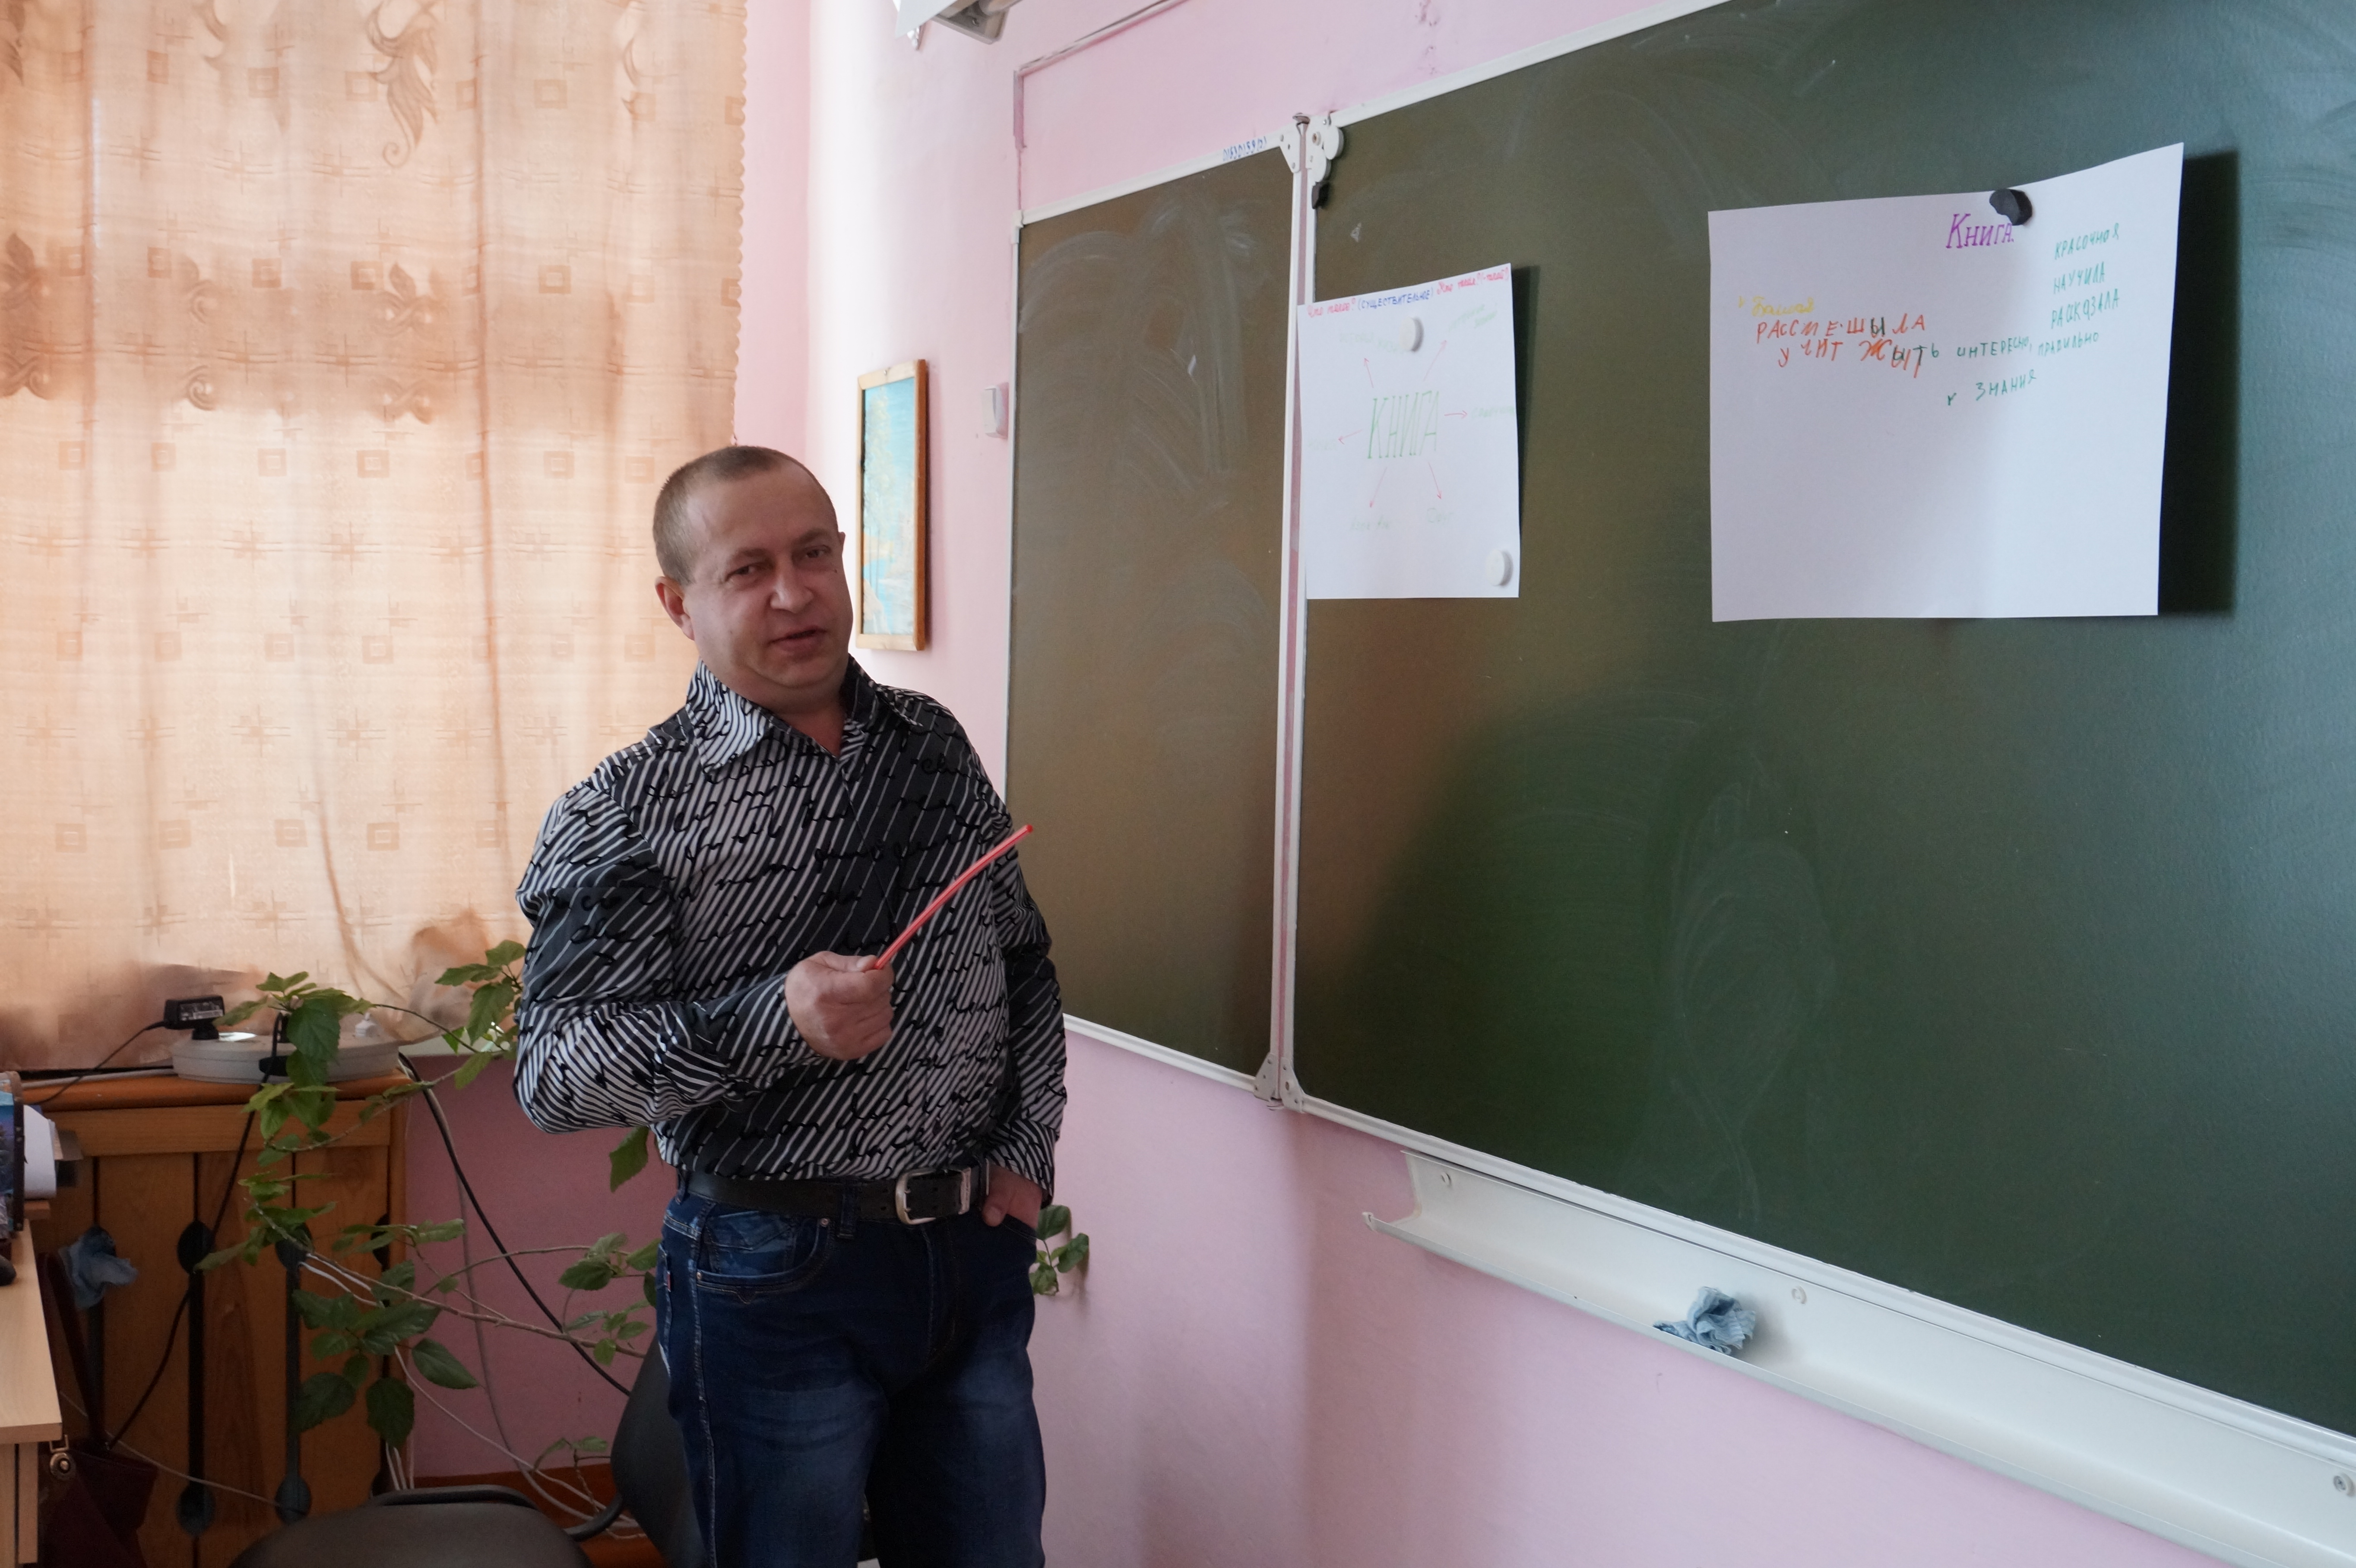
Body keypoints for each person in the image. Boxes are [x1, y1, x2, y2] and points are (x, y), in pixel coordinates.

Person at [510, 445, 1064, 1567]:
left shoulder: (932, 747)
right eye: (748, 569)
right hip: (774, 1271)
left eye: (814, 555)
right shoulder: (626, 810)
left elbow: (1022, 960)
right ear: (679, 603)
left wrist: (1026, 1146)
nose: (794, 593)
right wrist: (776, 1023)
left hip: (969, 1257)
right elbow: (555, 1072)